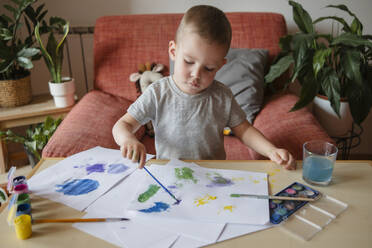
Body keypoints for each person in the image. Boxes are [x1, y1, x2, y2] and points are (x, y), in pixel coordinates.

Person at [112, 5, 296, 170]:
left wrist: (271, 150)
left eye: (209, 68)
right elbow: (122, 125)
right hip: (170, 175)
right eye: (189, 61)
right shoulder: (158, 92)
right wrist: (128, 139)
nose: (196, 74)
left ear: (220, 65)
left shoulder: (222, 95)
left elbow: (245, 130)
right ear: (173, 52)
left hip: (212, 177)